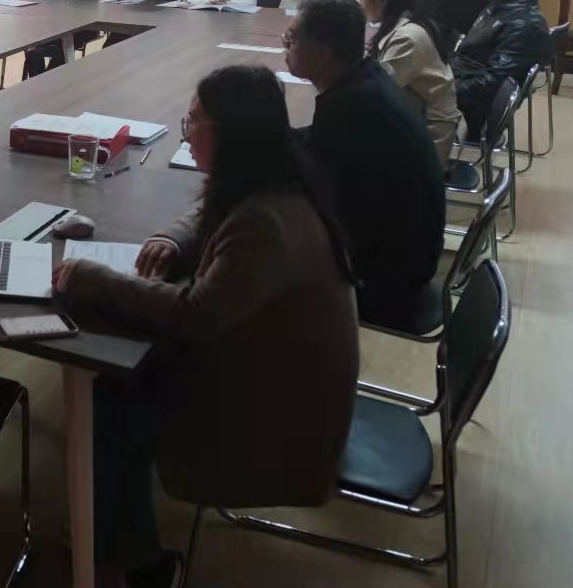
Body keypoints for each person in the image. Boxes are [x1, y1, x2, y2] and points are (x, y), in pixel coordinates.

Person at [53, 66, 357, 587]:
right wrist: (173, 239)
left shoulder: (264, 223)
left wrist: (93, 279)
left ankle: (139, 563)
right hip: (281, 376)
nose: (186, 132)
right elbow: (207, 215)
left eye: (193, 121)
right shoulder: (277, 179)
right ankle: (109, 522)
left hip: (274, 420)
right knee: (125, 373)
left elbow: (196, 315)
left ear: (230, 133)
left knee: (112, 401)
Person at [284, 0, 447, 326]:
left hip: (387, 280)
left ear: (323, 52)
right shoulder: (363, 79)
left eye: (292, 39)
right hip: (408, 252)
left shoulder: (353, 106)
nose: (285, 46)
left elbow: (312, 185)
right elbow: (321, 143)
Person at [357, 0, 461, 161]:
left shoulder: (407, 38)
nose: (359, 3)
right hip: (414, 121)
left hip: (428, 139)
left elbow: (375, 92)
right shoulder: (404, 22)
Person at [452, 0, 552, 136]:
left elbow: (490, 87)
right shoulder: (501, 3)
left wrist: (437, 87)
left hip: (470, 110)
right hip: (460, 78)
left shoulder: (524, 26)